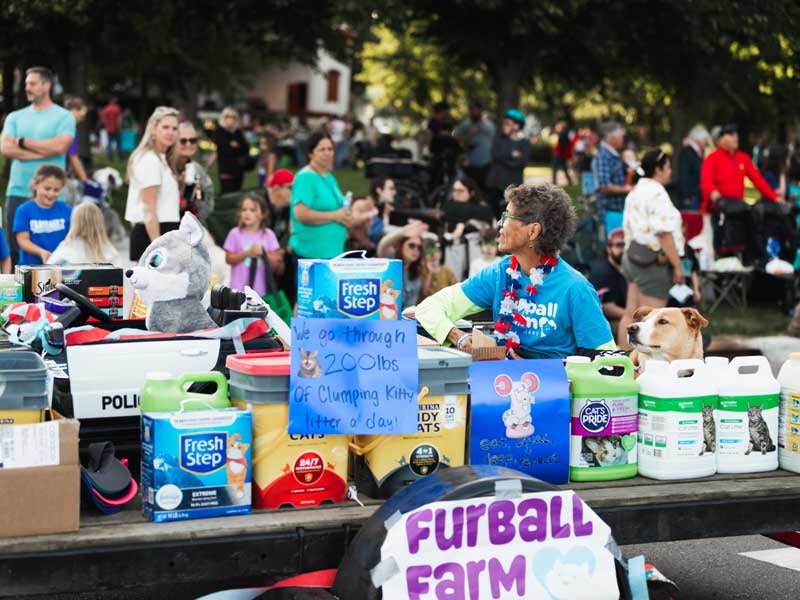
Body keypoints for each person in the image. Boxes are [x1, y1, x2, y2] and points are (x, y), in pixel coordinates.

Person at [415, 183, 614, 358]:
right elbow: (428, 308)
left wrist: (537, 370)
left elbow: (606, 362)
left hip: (557, 394)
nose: (499, 223)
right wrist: (459, 338)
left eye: (507, 216)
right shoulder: (499, 273)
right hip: (501, 385)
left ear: (533, 231)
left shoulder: (576, 288)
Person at [1, 66, 76, 268]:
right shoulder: (14, 117)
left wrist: (23, 142)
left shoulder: (64, 117)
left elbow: (61, 146)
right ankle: (16, 298)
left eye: (32, 83)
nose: (27, 88)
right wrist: (46, 149)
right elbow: (5, 148)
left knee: (55, 250)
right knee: (14, 249)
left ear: (47, 85)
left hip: (52, 194)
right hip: (17, 190)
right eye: (26, 84)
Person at [618, 150, 685, 347]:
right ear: (658, 169)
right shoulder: (656, 193)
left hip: (631, 257)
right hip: (651, 262)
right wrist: (678, 266)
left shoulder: (636, 190)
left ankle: (623, 361)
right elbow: (663, 233)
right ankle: (642, 368)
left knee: (631, 314)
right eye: (668, 167)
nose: (670, 171)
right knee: (648, 322)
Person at [700, 123, 782, 264]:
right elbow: (706, 181)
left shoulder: (743, 158)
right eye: (731, 135)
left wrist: (775, 197)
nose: (735, 137)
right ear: (720, 140)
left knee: (750, 225)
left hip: (738, 209)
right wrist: (714, 193)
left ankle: (755, 258)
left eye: (736, 134)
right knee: (716, 241)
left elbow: (758, 180)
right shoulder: (712, 159)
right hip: (718, 209)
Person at [289, 131, 373, 259]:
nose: (327, 153)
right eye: (322, 149)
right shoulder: (305, 178)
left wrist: (347, 215)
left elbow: (339, 207)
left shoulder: (328, 177)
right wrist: (335, 216)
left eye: (330, 149)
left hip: (332, 253)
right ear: (311, 153)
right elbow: (300, 214)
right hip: (310, 255)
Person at [124, 106, 181, 262]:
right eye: (165, 127)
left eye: (175, 128)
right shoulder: (149, 160)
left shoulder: (162, 159)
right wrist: (158, 247)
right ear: (153, 129)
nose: (171, 132)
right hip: (152, 236)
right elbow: (149, 209)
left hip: (164, 232)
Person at [224, 193, 282, 297]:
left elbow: (276, 261)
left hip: (261, 292)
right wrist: (247, 253)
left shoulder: (268, 234)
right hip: (238, 291)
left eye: (252, 210)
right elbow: (229, 259)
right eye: (244, 210)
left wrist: (264, 254)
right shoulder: (235, 233)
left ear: (263, 214)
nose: (247, 213)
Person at [13, 165, 72, 266]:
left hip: (60, 267)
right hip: (31, 268)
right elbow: (22, 240)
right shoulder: (23, 210)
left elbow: (72, 238)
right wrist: (41, 252)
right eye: (47, 188)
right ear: (35, 185)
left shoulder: (68, 211)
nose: (51, 193)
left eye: (56, 190)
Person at [442, 176, 494, 281]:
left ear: (471, 192)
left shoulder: (482, 206)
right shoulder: (449, 205)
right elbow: (447, 213)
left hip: (474, 248)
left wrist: (462, 221)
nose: (456, 193)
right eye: (454, 190)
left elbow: (487, 214)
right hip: (454, 249)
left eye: (460, 190)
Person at [485, 109, 530, 217]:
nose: (504, 126)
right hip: (496, 182)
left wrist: (503, 160)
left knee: (510, 212)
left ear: (517, 126)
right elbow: (495, 155)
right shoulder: (499, 139)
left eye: (508, 124)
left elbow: (521, 163)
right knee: (494, 210)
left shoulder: (524, 142)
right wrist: (511, 155)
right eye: (504, 123)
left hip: (513, 183)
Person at [47, 202, 118, 265]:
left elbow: (49, 269)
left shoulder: (66, 248)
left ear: (75, 223)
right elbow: (121, 277)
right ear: (100, 222)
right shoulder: (110, 252)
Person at [593, 121, 631, 239]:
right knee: (614, 247)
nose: (622, 138)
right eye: (621, 136)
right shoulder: (604, 156)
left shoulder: (612, 154)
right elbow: (605, 187)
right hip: (611, 212)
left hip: (617, 211)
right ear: (612, 138)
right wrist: (627, 189)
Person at [588, 227, 628, 337]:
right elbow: (606, 307)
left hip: (621, 316)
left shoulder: (626, 269)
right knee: (630, 326)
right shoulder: (602, 271)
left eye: (626, 245)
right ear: (609, 248)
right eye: (619, 245)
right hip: (603, 323)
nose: (623, 250)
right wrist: (632, 315)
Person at [377, 226, 427, 308]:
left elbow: (410, 306)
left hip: (400, 317)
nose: (416, 250)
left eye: (419, 247)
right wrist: (403, 232)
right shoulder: (391, 259)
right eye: (411, 245)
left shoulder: (415, 274)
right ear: (401, 245)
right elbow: (382, 245)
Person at [175, 121, 214, 223]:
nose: (188, 144)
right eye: (183, 140)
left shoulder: (196, 169)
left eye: (192, 140)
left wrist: (194, 197)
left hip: (189, 229)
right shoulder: (164, 167)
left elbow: (207, 199)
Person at [208, 107, 250, 194]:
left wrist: (237, 145)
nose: (230, 120)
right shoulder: (219, 133)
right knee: (227, 193)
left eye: (233, 117)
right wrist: (235, 146)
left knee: (236, 193)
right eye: (228, 117)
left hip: (238, 170)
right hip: (225, 169)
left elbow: (245, 148)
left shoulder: (238, 133)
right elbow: (226, 149)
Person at [454, 101, 495, 187]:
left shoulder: (489, 126)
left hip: (486, 164)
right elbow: (456, 140)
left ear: (480, 110)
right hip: (469, 164)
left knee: (484, 188)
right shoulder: (465, 125)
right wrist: (469, 134)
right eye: (472, 109)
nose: (474, 112)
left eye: (476, 109)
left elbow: (495, 143)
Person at [677, 126, 711, 211]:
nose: (706, 143)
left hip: (695, 195)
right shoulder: (688, 152)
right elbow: (684, 174)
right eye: (704, 139)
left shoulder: (696, 152)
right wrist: (686, 196)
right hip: (689, 197)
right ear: (698, 139)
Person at [65, 97, 91, 182]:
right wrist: (85, 180)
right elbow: (73, 156)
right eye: (82, 115)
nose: (82, 119)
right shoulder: (69, 127)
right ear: (74, 110)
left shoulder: (58, 122)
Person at [100, 96, 123, 161]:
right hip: (116, 129)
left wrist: (106, 126)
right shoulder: (117, 108)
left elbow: (103, 120)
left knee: (109, 144)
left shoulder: (106, 109)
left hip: (109, 129)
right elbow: (119, 120)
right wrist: (120, 128)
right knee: (119, 144)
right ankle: (120, 158)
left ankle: (110, 158)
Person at [551, 120, 574, 185]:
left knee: (555, 168)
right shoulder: (563, 134)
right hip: (560, 154)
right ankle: (569, 181)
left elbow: (564, 145)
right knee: (563, 168)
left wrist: (558, 146)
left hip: (559, 154)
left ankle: (554, 182)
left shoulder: (563, 135)